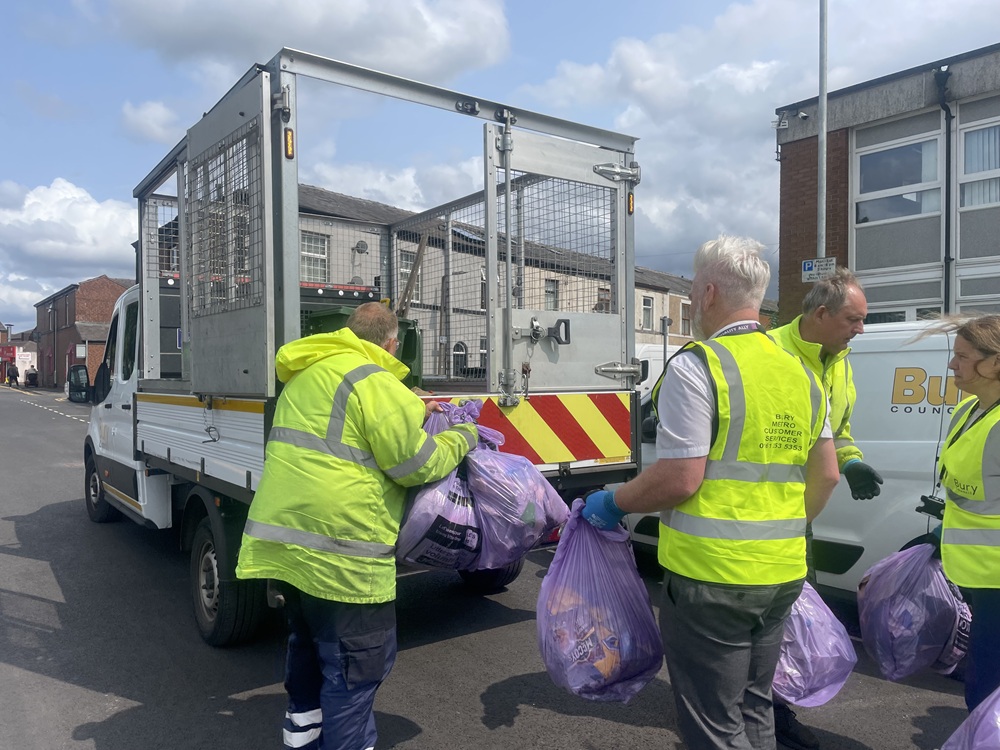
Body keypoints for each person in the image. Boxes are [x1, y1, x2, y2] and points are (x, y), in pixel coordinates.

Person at [583, 235, 840, 750]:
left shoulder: (700, 364)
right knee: (754, 708)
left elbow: (681, 477)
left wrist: (612, 502)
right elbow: (828, 474)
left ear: (706, 294)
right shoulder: (803, 374)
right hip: (783, 573)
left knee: (712, 727)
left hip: (713, 577)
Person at [236, 302, 478, 750]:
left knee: (307, 649)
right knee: (354, 673)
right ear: (391, 343)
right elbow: (414, 464)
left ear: (349, 332)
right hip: (343, 553)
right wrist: (461, 437)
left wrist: (416, 409)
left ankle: (301, 741)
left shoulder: (308, 373)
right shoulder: (376, 381)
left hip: (290, 548)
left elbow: (348, 430)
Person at [767, 268, 881, 749]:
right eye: (853, 320)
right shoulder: (768, 352)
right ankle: (750, 715)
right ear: (820, 313)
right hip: (755, 515)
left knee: (787, 620)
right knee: (759, 622)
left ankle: (773, 711)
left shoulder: (840, 361)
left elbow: (838, 428)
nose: (861, 330)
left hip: (800, 518)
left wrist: (851, 462)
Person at [933, 314, 1000, 713]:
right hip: (978, 574)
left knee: (986, 685)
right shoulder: (968, 411)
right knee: (982, 680)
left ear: (995, 363)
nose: (952, 365)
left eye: (962, 356)